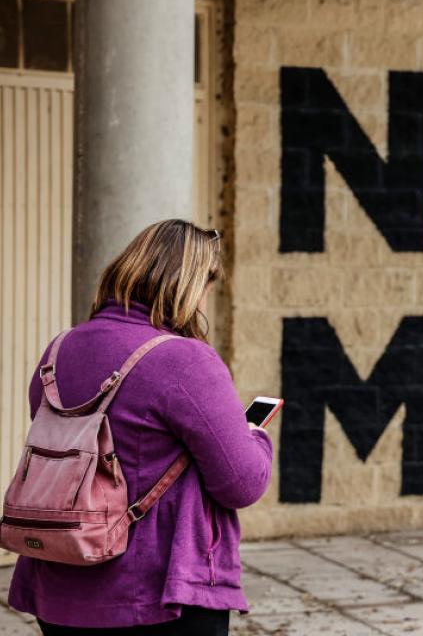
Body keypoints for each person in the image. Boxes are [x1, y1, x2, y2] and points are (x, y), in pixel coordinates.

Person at [5, 219, 274, 635]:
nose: (205, 301)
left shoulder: (60, 348)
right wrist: (255, 435)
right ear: (185, 285)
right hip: (154, 596)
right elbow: (242, 483)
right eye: (206, 286)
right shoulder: (185, 360)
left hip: (58, 582)